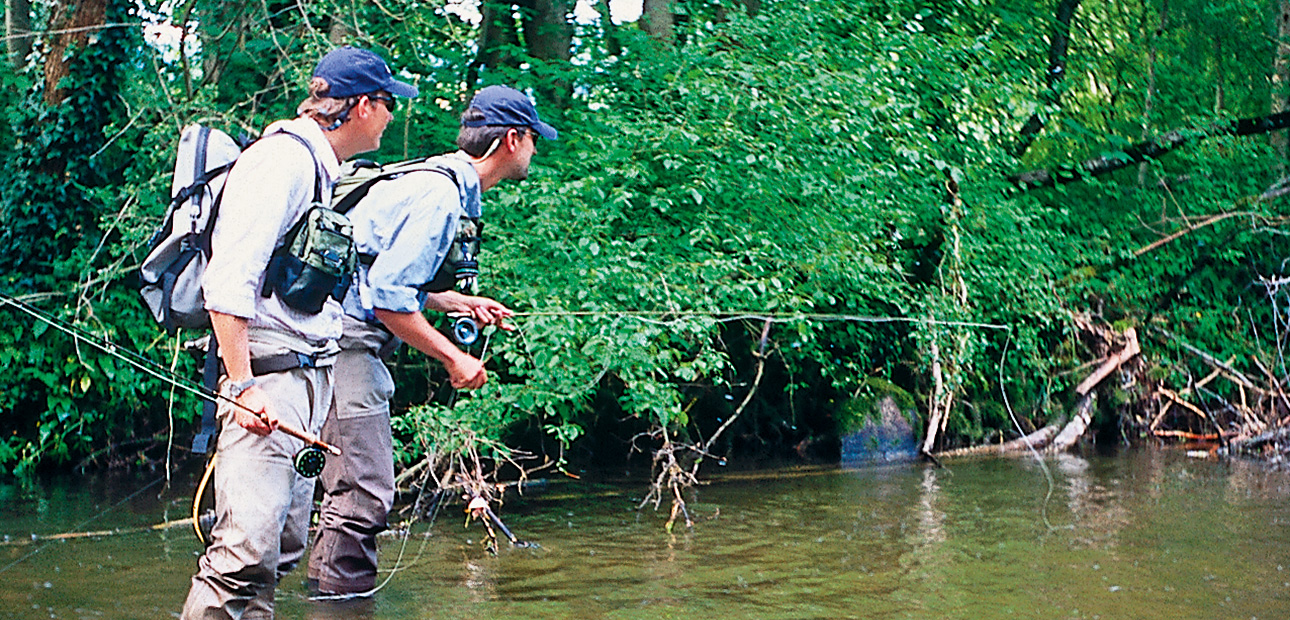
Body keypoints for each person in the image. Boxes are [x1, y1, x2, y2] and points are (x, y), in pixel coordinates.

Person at [181, 46, 417, 620]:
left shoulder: (320, 169)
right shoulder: (280, 163)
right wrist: (241, 388)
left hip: (305, 380)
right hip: (266, 379)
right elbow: (228, 282)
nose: (392, 116)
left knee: (280, 551)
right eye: (388, 104)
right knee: (243, 554)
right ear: (361, 105)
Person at [305, 85, 558, 598]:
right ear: (511, 139)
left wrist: (455, 303)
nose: (535, 148)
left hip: (332, 334)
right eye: (533, 138)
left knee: (346, 498)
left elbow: (379, 270)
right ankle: (337, 606)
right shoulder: (440, 197)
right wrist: (454, 357)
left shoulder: (434, 175)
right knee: (364, 497)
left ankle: (328, 600)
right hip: (345, 345)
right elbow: (384, 303)